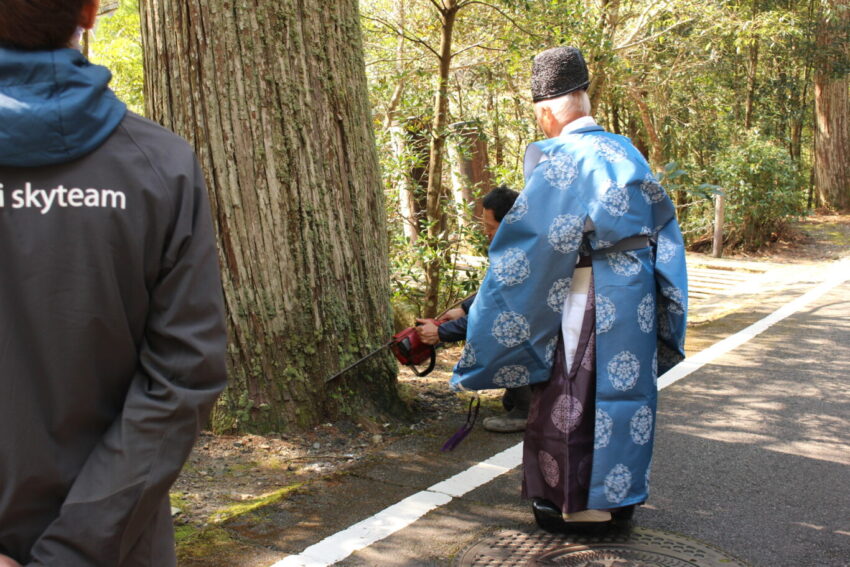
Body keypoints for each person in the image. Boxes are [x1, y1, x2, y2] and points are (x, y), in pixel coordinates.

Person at [0, 1, 228, 565]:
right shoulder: (161, 164)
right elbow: (183, 375)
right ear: (91, 12)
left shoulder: (164, 165)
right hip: (115, 546)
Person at [451, 46, 688, 530]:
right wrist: (664, 302)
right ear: (583, 99)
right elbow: (667, 236)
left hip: (584, 292)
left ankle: (571, 507)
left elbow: (533, 250)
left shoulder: (560, 159)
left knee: (571, 392)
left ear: (545, 110)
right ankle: (619, 502)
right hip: (635, 294)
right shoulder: (627, 149)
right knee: (626, 394)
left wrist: (486, 322)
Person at [415, 186, 531, 433]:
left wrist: (442, 333)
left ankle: (527, 410)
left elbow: (494, 314)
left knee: (506, 333)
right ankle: (524, 396)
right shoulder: (521, 246)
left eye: (491, 227)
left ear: (510, 222)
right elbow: (494, 293)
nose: (487, 234)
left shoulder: (522, 255)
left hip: (534, 332)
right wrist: (464, 309)